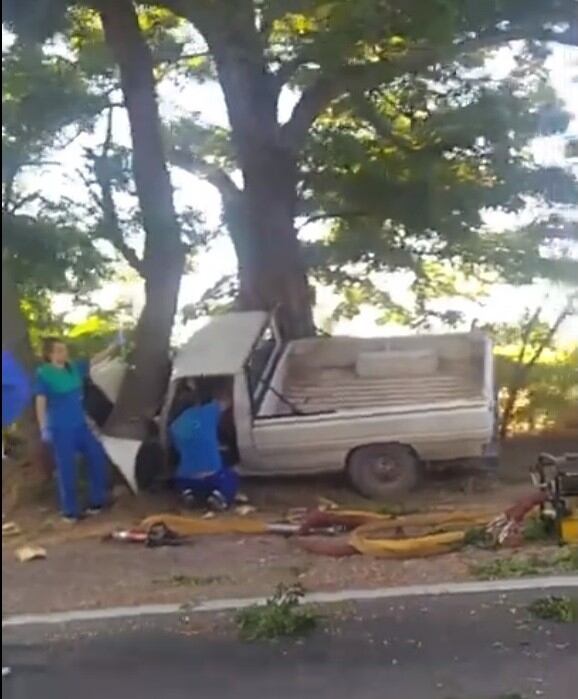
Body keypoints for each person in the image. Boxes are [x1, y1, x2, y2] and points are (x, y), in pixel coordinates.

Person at [34, 337, 119, 522]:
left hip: (80, 424)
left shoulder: (73, 367)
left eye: (64, 350)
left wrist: (112, 347)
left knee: (96, 455)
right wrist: (44, 428)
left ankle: (97, 500)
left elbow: (94, 360)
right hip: (60, 427)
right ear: (49, 354)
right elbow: (40, 403)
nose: (63, 354)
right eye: (59, 351)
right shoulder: (44, 375)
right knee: (67, 468)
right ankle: (70, 511)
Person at [169, 380, 239, 511]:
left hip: (185, 477)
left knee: (182, 473)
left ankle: (188, 493)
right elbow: (228, 401)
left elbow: (178, 451)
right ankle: (219, 496)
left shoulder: (174, 426)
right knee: (231, 474)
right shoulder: (209, 412)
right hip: (212, 476)